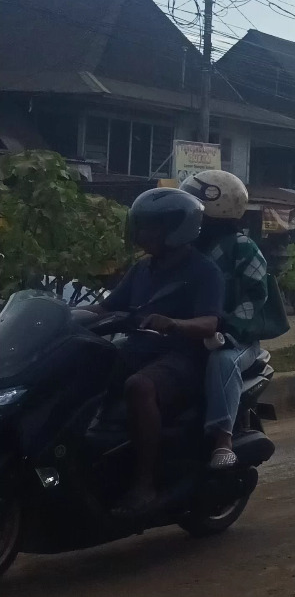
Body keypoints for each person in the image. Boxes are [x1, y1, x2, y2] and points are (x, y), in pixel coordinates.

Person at [93, 188, 224, 515]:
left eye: (152, 227)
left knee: (140, 387)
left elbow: (209, 323)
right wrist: (64, 314)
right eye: (141, 226)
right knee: (81, 368)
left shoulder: (204, 271)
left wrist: (175, 324)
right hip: (138, 350)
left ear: (176, 229)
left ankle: (145, 484)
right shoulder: (142, 270)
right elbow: (106, 309)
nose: (142, 234)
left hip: (183, 358)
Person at [183, 170, 275, 471]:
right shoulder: (186, 248)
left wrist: (227, 327)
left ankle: (223, 440)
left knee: (222, 361)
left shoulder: (243, 247)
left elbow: (255, 297)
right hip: (189, 332)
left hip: (237, 338)